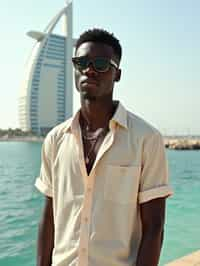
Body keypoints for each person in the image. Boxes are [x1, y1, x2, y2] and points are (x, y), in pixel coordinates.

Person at [35, 28, 173, 266]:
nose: (89, 69)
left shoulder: (146, 139)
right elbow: (49, 217)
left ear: (117, 74)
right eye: (82, 62)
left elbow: (155, 227)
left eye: (100, 63)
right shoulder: (55, 140)